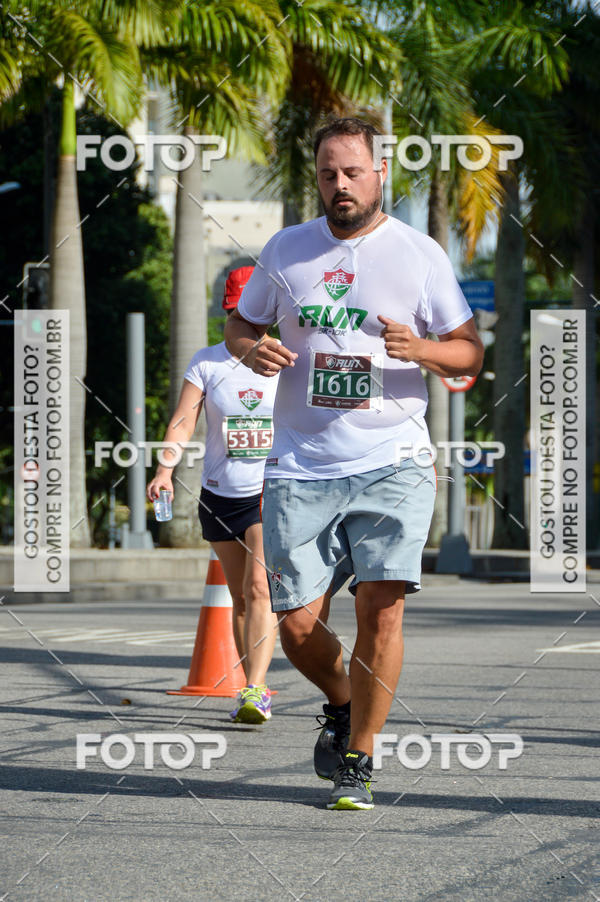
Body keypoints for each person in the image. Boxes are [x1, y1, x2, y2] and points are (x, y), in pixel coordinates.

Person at [225, 117, 484, 809]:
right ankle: (342, 703)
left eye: (352, 172)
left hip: (392, 456)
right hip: (301, 463)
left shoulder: (418, 254)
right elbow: (240, 324)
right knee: (296, 626)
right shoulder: (287, 248)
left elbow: (468, 350)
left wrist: (421, 349)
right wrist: (250, 349)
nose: (340, 185)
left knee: (383, 610)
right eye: (328, 174)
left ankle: (361, 761)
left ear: (380, 173)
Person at [147, 266, 279, 724]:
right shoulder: (207, 362)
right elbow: (183, 420)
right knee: (240, 599)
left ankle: (258, 689)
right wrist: (165, 469)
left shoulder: (287, 362)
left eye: (261, 316)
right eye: (242, 315)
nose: (254, 326)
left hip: (271, 490)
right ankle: (247, 684)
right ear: (230, 313)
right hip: (221, 494)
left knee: (259, 588)